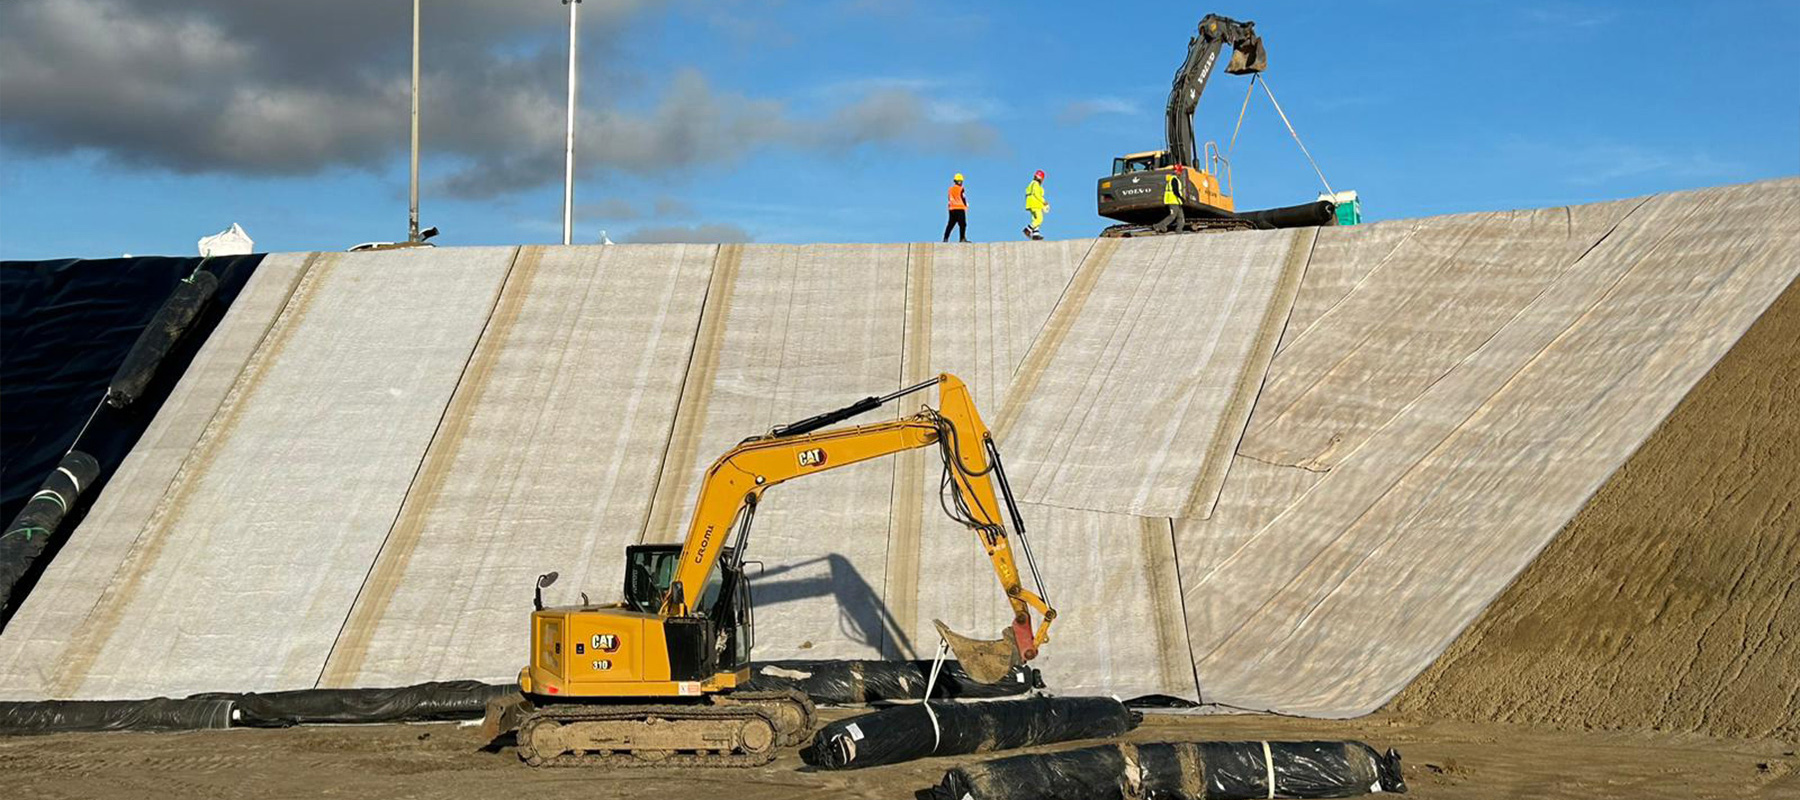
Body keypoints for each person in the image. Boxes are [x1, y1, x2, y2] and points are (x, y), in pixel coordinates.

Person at [1157, 165, 1188, 234]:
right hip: (1173, 200)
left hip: (1177, 201)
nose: (1180, 173)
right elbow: (1175, 191)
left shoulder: (1174, 179)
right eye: (1180, 171)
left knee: (1181, 217)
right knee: (1173, 215)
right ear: (1177, 171)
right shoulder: (1174, 179)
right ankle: (1159, 226)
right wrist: (1181, 198)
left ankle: (1179, 230)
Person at [1022, 170, 1048, 240]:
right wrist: (1044, 202)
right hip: (1035, 204)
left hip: (1031, 204)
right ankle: (1028, 229)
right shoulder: (1036, 184)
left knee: (1034, 219)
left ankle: (1035, 234)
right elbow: (1037, 194)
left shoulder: (1031, 184)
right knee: (1039, 219)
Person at [944, 173, 969, 242]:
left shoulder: (950, 189)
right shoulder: (961, 189)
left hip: (952, 209)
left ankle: (945, 238)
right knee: (963, 224)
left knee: (950, 224)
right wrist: (966, 205)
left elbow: (949, 198)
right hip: (960, 208)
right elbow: (963, 197)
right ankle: (962, 238)